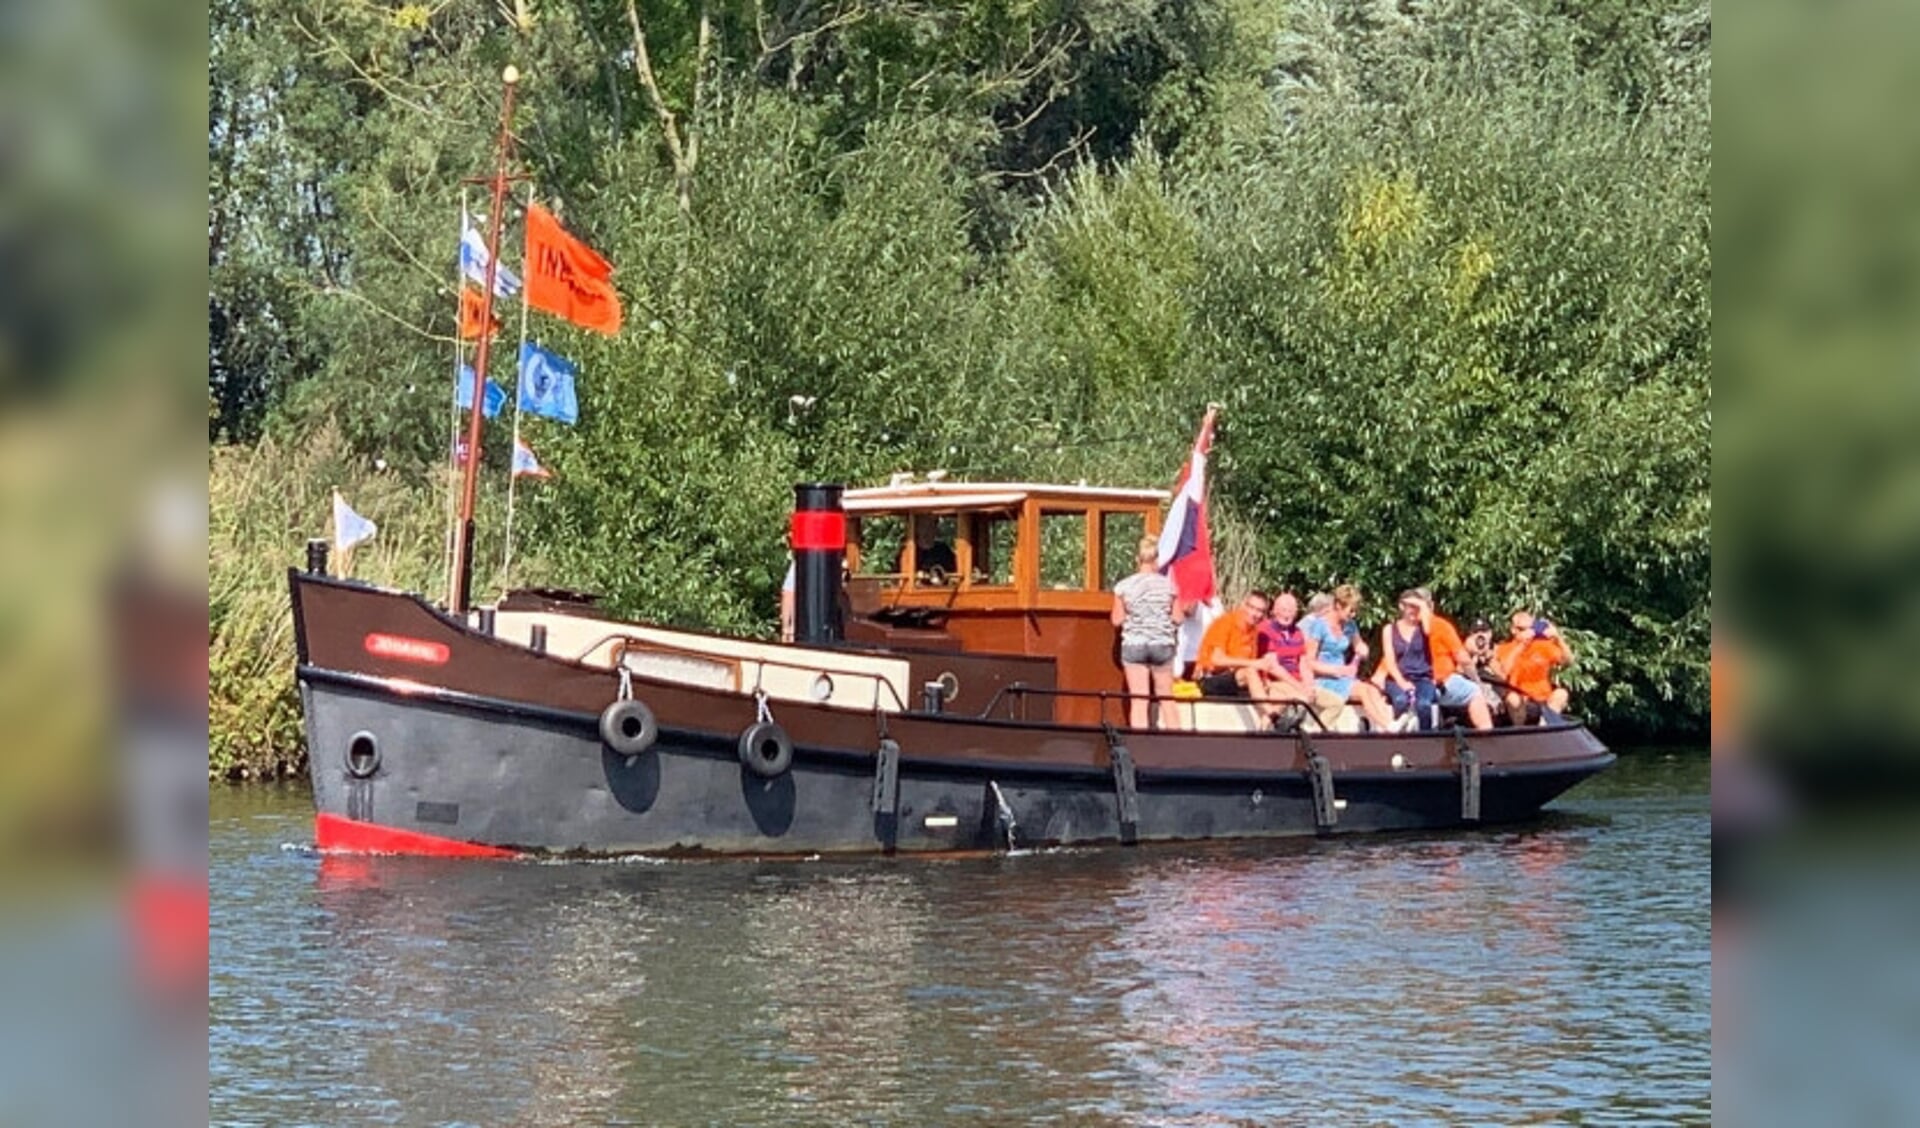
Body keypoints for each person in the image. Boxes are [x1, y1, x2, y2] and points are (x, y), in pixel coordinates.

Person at [1301, 584, 1401, 732]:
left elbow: (1359, 644)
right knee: (1363, 691)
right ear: (1338, 605)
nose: (1353, 615)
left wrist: (1363, 649)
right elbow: (1310, 662)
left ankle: (1387, 723)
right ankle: (1387, 726)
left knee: (1370, 689)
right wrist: (1336, 670)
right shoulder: (1319, 626)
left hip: (1343, 677)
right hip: (1325, 677)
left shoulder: (1350, 625)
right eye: (1350, 610)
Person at [1110, 537, 1185, 730]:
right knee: (1166, 697)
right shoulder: (1169, 586)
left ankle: (1141, 746)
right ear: (1156, 560)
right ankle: (1177, 743)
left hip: (1134, 645)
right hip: (1162, 644)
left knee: (1139, 699)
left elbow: (1116, 620)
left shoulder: (1123, 586)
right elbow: (1178, 618)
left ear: (1138, 559)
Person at [1255, 591, 1349, 728]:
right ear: (1274, 610)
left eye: (1291, 610)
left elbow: (1303, 662)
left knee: (1336, 703)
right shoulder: (1266, 629)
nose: (1286, 614)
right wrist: (1299, 687)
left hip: (1298, 683)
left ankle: (1317, 736)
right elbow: (1273, 667)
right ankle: (1268, 732)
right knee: (1299, 698)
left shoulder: (1297, 632)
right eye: (1283, 609)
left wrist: (1309, 684)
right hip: (1276, 681)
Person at [1195, 588, 1288, 720]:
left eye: (1260, 611)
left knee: (1277, 689)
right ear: (1244, 605)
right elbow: (1217, 660)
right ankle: (1273, 715)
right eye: (1252, 608)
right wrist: (1254, 663)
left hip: (1234, 679)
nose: (1255, 614)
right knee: (1250, 671)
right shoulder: (1226, 622)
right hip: (1209, 678)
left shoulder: (1253, 631)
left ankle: (1270, 723)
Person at [1418, 592, 1495, 731]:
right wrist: (1477, 681)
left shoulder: (1402, 628)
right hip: (1439, 682)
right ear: (1431, 606)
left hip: (1412, 684)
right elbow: (1464, 660)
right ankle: (1487, 736)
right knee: (1474, 692)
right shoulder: (1440, 625)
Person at [1492, 611, 1573, 724]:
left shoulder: (1543, 646)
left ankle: (1546, 726)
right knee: (1513, 699)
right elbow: (1504, 671)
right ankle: (1520, 734)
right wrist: (1521, 645)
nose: (1528, 632)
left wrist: (1558, 638)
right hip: (1520, 699)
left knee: (1561, 694)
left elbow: (1568, 661)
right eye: (1522, 629)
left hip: (1543, 698)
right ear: (1513, 630)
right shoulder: (1504, 649)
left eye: (1530, 628)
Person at [1374, 589, 1438, 729]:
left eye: (1417, 607)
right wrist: (1402, 682)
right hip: (1398, 677)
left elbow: (1429, 626)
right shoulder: (1389, 629)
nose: (1414, 611)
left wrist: (1422, 604)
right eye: (1410, 606)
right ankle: (1399, 737)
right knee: (1400, 700)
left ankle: (1426, 739)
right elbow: (1390, 661)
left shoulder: (1424, 628)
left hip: (1422, 677)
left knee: (1424, 705)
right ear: (1402, 607)